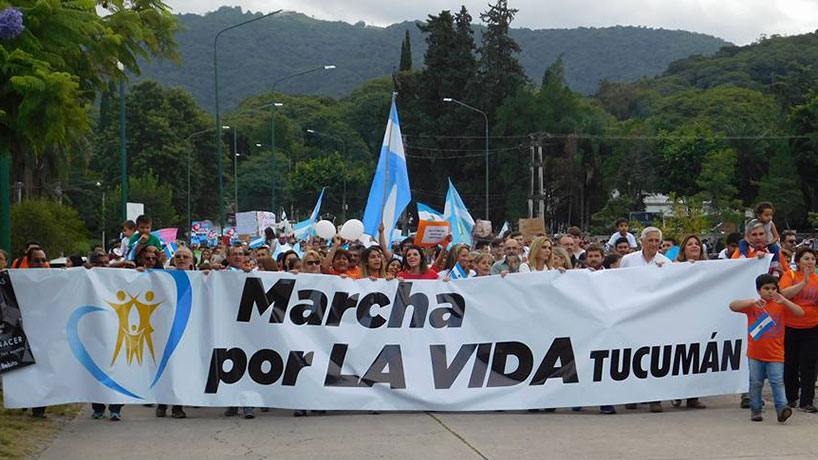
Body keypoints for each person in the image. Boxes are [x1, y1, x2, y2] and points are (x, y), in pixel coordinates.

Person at [730, 274, 804, 422]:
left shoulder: (781, 305)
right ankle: (756, 409)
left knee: (777, 381)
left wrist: (784, 301)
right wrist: (751, 302)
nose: (770, 291)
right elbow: (732, 305)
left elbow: (800, 313)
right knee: (756, 382)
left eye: (773, 288)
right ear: (759, 290)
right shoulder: (753, 306)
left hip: (776, 353)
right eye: (766, 289)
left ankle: (782, 408)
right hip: (755, 353)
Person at [670, 234, 708, 409]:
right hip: (679, 319)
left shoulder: (710, 268)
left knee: (696, 356)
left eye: (697, 244)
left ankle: (693, 396)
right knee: (678, 357)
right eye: (690, 244)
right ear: (683, 250)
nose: (694, 246)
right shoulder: (675, 267)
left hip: (700, 319)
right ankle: (677, 393)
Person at [778, 247, 818, 412]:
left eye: (812, 259)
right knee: (790, 364)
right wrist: (803, 283)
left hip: (812, 326)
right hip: (790, 326)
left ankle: (806, 401)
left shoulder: (817, 278)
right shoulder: (790, 275)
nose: (810, 262)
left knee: (809, 365)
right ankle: (791, 397)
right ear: (798, 262)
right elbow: (783, 294)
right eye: (806, 259)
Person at [738, 202, 782, 272]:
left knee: (774, 247)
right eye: (766, 215)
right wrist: (750, 243)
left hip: (768, 243)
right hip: (753, 245)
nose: (769, 217)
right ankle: (743, 255)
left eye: (771, 215)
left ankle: (774, 265)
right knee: (742, 242)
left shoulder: (770, 223)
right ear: (759, 215)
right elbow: (746, 236)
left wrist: (768, 243)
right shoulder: (752, 223)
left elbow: (776, 237)